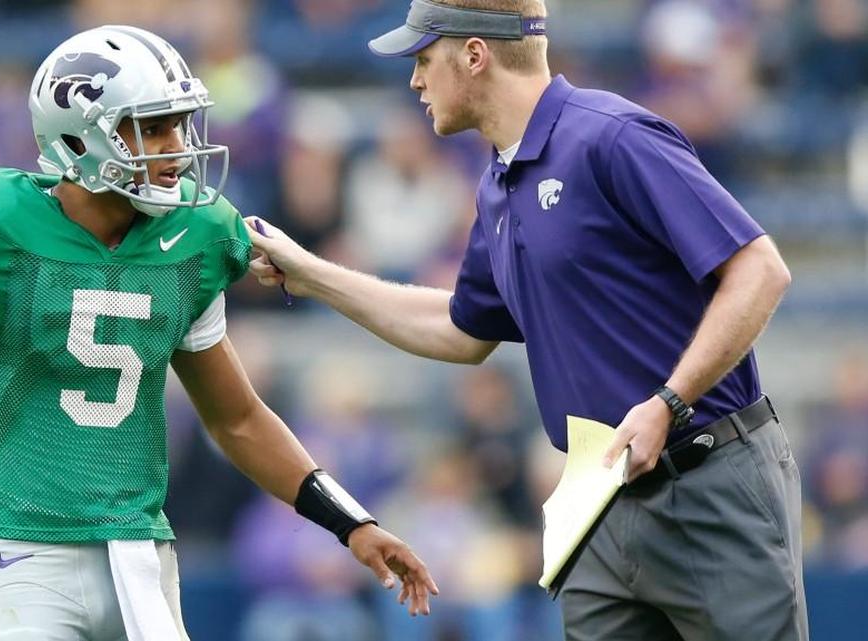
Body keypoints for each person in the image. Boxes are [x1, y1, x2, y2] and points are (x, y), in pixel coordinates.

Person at [0, 25, 437, 641]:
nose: (177, 147)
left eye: (179, 124)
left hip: (138, 550)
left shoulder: (191, 241)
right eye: (152, 128)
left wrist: (351, 523)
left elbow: (238, 418)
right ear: (80, 140)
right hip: (16, 552)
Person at [246, 1, 807, 639]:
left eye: (425, 60)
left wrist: (669, 402)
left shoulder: (611, 136)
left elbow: (761, 271)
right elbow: (460, 330)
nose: (415, 80)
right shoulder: (496, 183)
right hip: (599, 505)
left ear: (475, 54)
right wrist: (311, 274)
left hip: (707, 481)